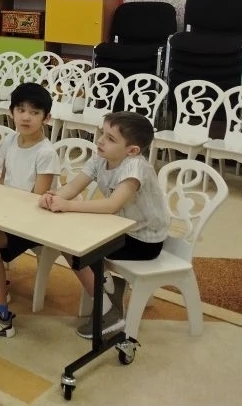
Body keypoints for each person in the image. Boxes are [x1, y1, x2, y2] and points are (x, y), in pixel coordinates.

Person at [39, 111, 169, 339]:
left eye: (110, 138)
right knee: (67, 235)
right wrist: (54, 197)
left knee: (75, 246)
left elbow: (111, 205)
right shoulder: (100, 158)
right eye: (102, 133)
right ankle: (107, 285)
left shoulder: (135, 167)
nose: (100, 140)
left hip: (143, 240)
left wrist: (67, 206)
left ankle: (107, 311)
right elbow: (73, 187)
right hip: (120, 228)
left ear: (132, 150)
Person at [0, 83, 60, 338]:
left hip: (34, 221)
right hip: (9, 215)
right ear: (11, 112)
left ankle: (1, 316)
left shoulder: (46, 153)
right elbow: (4, 180)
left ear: (46, 118)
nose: (26, 117)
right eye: (21, 110)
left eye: (34, 112)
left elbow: (37, 200)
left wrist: (3, 217)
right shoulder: (10, 141)